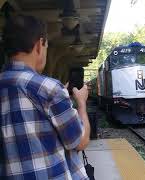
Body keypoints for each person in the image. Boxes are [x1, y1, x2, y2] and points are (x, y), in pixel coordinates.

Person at [0, 15, 91, 179]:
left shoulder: (48, 90)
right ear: (39, 45)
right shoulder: (48, 89)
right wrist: (82, 103)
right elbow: (80, 142)